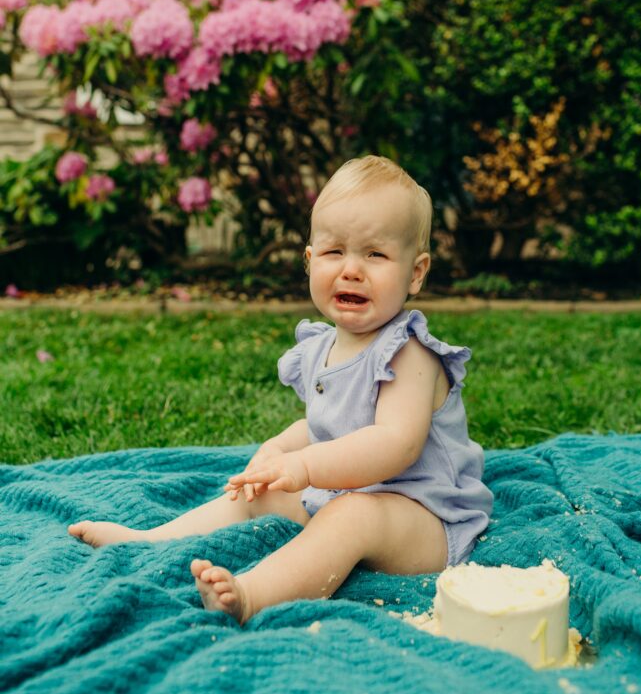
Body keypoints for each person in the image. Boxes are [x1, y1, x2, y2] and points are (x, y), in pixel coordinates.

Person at [68, 156, 492, 624]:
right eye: (335, 252)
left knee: (353, 517)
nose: (351, 269)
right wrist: (279, 450)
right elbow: (327, 423)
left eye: (375, 254)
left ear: (416, 272)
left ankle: (252, 595)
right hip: (349, 492)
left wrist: (307, 465)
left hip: (425, 518)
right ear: (310, 261)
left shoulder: (411, 354)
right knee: (261, 492)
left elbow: (395, 444)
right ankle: (152, 538)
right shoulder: (322, 346)